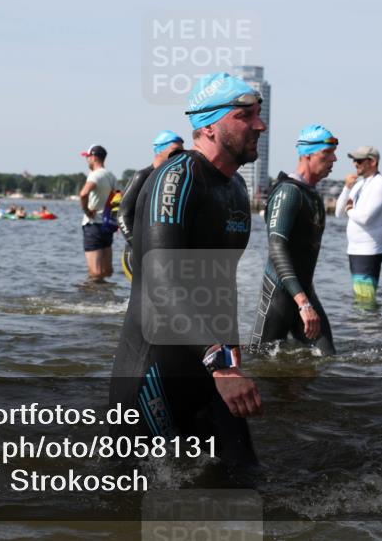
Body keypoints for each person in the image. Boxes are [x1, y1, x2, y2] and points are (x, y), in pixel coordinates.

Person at [110, 72, 266, 465]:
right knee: (133, 504)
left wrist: (228, 354)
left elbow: (223, 283)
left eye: (259, 115)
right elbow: (162, 284)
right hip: (154, 371)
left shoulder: (235, 188)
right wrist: (219, 362)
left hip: (208, 361)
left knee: (243, 480)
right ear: (209, 126)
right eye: (245, 116)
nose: (260, 125)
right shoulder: (176, 178)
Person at [251, 125, 338, 355]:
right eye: (327, 154)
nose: (334, 159)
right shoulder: (288, 193)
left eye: (334, 153)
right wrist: (303, 303)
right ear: (307, 154)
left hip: (305, 293)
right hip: (279, 297)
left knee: (328, 359)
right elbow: (277, 248)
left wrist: (306, 298)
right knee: (259, 366)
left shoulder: (313, 195)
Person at [117, 130, 185, 280]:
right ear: (159, 151)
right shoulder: (142, 176)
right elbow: (123, 215)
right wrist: (138, 245)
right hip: (136, 253)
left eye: (182, 151)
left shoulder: (176, 179)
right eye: (175, 151)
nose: (180, 155)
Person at [334, 146, 382, 303]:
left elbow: (365, 218)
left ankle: (368, 326)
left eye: (359, 160)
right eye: (354, 160)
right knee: (361, 298)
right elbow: (338, 213)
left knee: (365, 301)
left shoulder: (381, 185)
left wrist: (349, 209)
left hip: (369, 251)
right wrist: (347, 188)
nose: (355, 164)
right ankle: (363, 326)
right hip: (355, 250)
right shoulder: (359, 184)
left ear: (373, 161)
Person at [79, 144, 117, 279]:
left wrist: (87, 211)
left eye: (87, 157)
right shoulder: (111, 176)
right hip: (107, 225)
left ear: (94, 157)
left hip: (93, 225)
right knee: (107, 271)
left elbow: (83, 194)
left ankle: (93, 299)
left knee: (96, 273)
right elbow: (117, 198)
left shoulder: (95, 175)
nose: (87, 160)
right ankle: (106, 296)